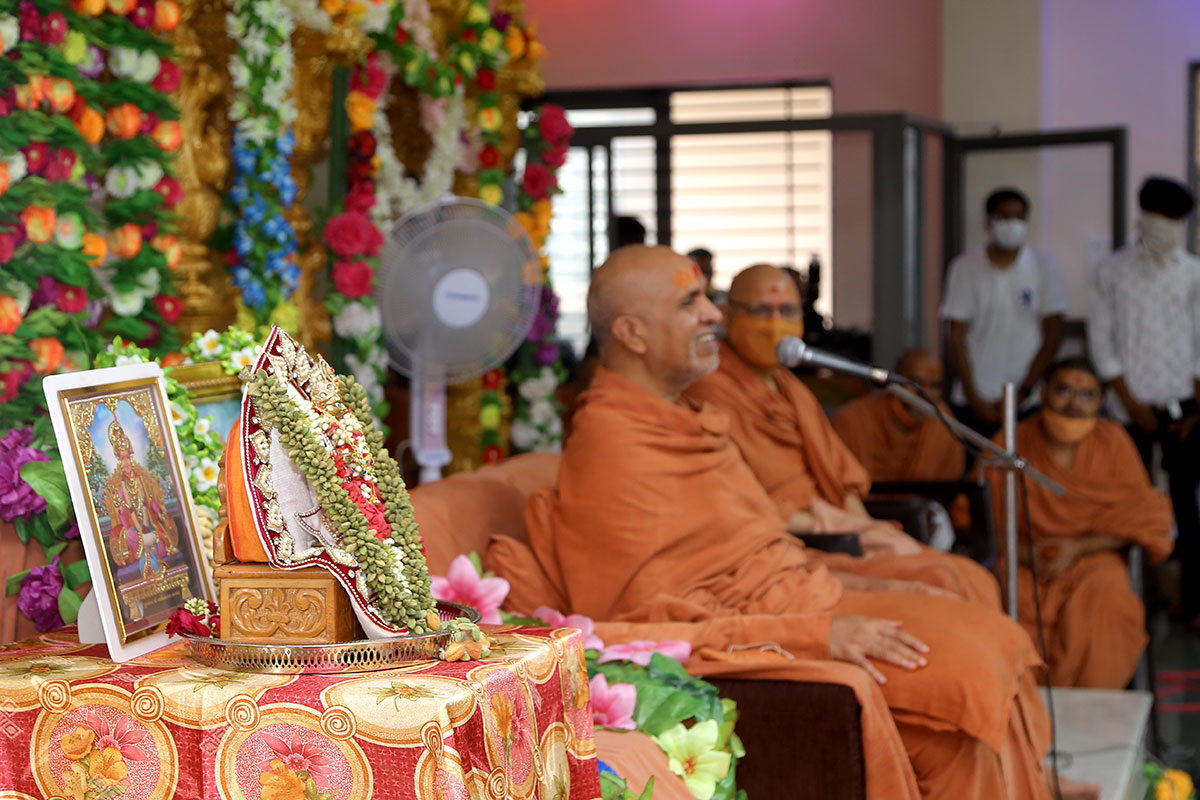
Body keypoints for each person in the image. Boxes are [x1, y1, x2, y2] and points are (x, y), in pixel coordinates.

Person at [518, 245, 1087, 800]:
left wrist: (867, 585)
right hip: (767, 636)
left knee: (985, 633)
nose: (714, 315)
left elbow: (762, 550)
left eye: (708, 299)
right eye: (690, 303)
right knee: (970, 668)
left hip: (799, 597)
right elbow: (641, 623)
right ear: (632, 334)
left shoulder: (688, 419)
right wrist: (818, 634)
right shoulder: (613, 444)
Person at [686, 264, 992, 605]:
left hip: (839, 534)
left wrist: (866, 532)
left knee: (969, 577)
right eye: (760, 310)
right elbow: (734, 502)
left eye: (787, 311)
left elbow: (840, 479)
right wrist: (836, 529)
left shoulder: (790, 388)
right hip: (790, 542)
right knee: (942, 582)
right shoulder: (707, 389)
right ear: (726, 316)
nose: (774, 323)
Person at [981, 358, 1172, 689]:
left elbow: (1147, 516)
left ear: (1101, 402)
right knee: (999, 595)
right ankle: (1025, 706)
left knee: (1108, 596)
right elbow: (975, 520)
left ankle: (1094, 705)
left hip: (1093, 558)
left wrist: (1078, 547)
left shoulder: (1113, 441)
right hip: (1023, 560)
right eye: (1064, 390)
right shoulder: (1011, 441)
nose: (1074, 402)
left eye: (1087, 395)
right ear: (1043, 394)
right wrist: (1027, 554)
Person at [1088, 175, 1200, 625]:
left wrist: (1197, 410)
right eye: (1163, 215)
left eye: (1177, 218)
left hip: (1184, 409)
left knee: (1187, 506)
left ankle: (1192, 603)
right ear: (1145, 215)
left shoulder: (1192, 272)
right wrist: (1129, 403)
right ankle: (1133, 598)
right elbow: (1102, 341)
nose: (1169, 225)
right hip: (1127, 408)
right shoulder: (1111, 271)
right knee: (1127, 503)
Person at [942, 188, 1069, 436]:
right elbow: (956, 336)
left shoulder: (1045, 267)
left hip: (1028, 400)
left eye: (1018, 217)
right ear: (988, 221)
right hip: (972, 400)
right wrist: (973, 397)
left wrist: (1024, 392)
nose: (1012, 224)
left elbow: (1053, 335)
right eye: (1004, 217)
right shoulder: (964, 268)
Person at [832, 348, 966, 483]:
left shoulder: (947, 428)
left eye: (935, 386)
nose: (927, 393)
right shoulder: (853, 420)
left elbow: (949, 489)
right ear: (896, 381)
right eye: (916, 383)